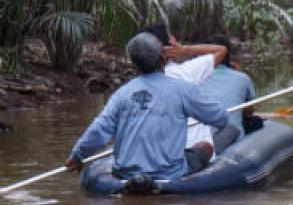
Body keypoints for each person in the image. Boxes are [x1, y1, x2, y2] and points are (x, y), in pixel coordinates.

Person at [64, 32, 229, 183]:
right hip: (170, 174)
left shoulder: (122, 94)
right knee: (205, 147)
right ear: (164, 58)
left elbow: (98, 129)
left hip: (125, 175)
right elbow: (220, 118)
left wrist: (76, 157)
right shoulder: (183, 89)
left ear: (134, 63)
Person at [142, 24, 240, 161]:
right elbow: (221, 50)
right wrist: (184, 50)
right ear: (169, 46)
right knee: (230, 129)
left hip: (158, 154)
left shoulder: (136, 85)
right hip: (192, 154)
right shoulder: (186, 72)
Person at [200, 35, 261, 138]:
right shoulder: (242, 78)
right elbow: (248, 112)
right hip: (229, 141)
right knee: (256, 122)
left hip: (199, 141)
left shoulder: (192, 78)